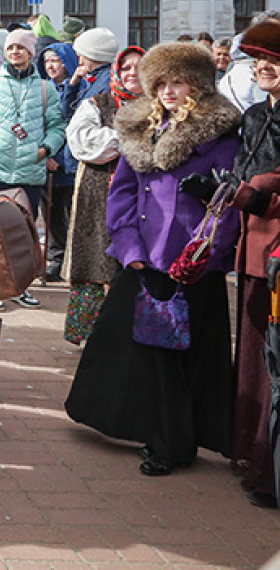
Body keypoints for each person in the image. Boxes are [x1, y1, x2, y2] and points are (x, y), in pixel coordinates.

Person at [65, 41, 240, 478]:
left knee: (186, 357)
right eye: (160, 82)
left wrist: (205, 255)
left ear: (197, 85)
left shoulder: (222, 139)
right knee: (141, 354)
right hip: (146, 260)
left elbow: (231, 205)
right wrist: (129, 248)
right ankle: (161, 437)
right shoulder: (142, 128)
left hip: (192, 262)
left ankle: (175, 442)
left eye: (177, 82)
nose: (167, 91)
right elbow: (121, 192)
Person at [208, 20, 280, 508]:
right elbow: (242, 172)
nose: (262, 67)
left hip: (277, 245)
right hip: (253, 248)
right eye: (257, 59)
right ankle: (255, 457)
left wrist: (251, 193)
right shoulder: (254, 114)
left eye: (272, 61)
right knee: (255, 354)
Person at [0, 27, 66, 309]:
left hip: (30, 172)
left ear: (30, 53)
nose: (15, 52)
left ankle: (20, 286)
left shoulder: (45, 88)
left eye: (20, 48)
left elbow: (57, 126)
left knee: (25, 232)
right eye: (11, 48)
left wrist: (45, 149)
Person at [61, 46, 144, 345]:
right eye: (126, 68)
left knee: (135, 261)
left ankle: (131, 331)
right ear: (116, 73)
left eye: (138, 67)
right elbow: (82, 143)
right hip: (99, 194)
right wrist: (128, 138)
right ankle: (94, 333)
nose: (132, 73)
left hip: (144, 199)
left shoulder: (156, 105)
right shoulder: (98, 104)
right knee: (97, 257)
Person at [37, 41, 80, 281]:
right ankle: (56, 257)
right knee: (51, 213)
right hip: (49, 160)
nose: (51, 66)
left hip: (71, 161)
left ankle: (72, 259)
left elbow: (67, 120)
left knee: (71, 212)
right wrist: (47, 154)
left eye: (56, 60)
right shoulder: (43, 89)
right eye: (47, 61)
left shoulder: (78, 88)